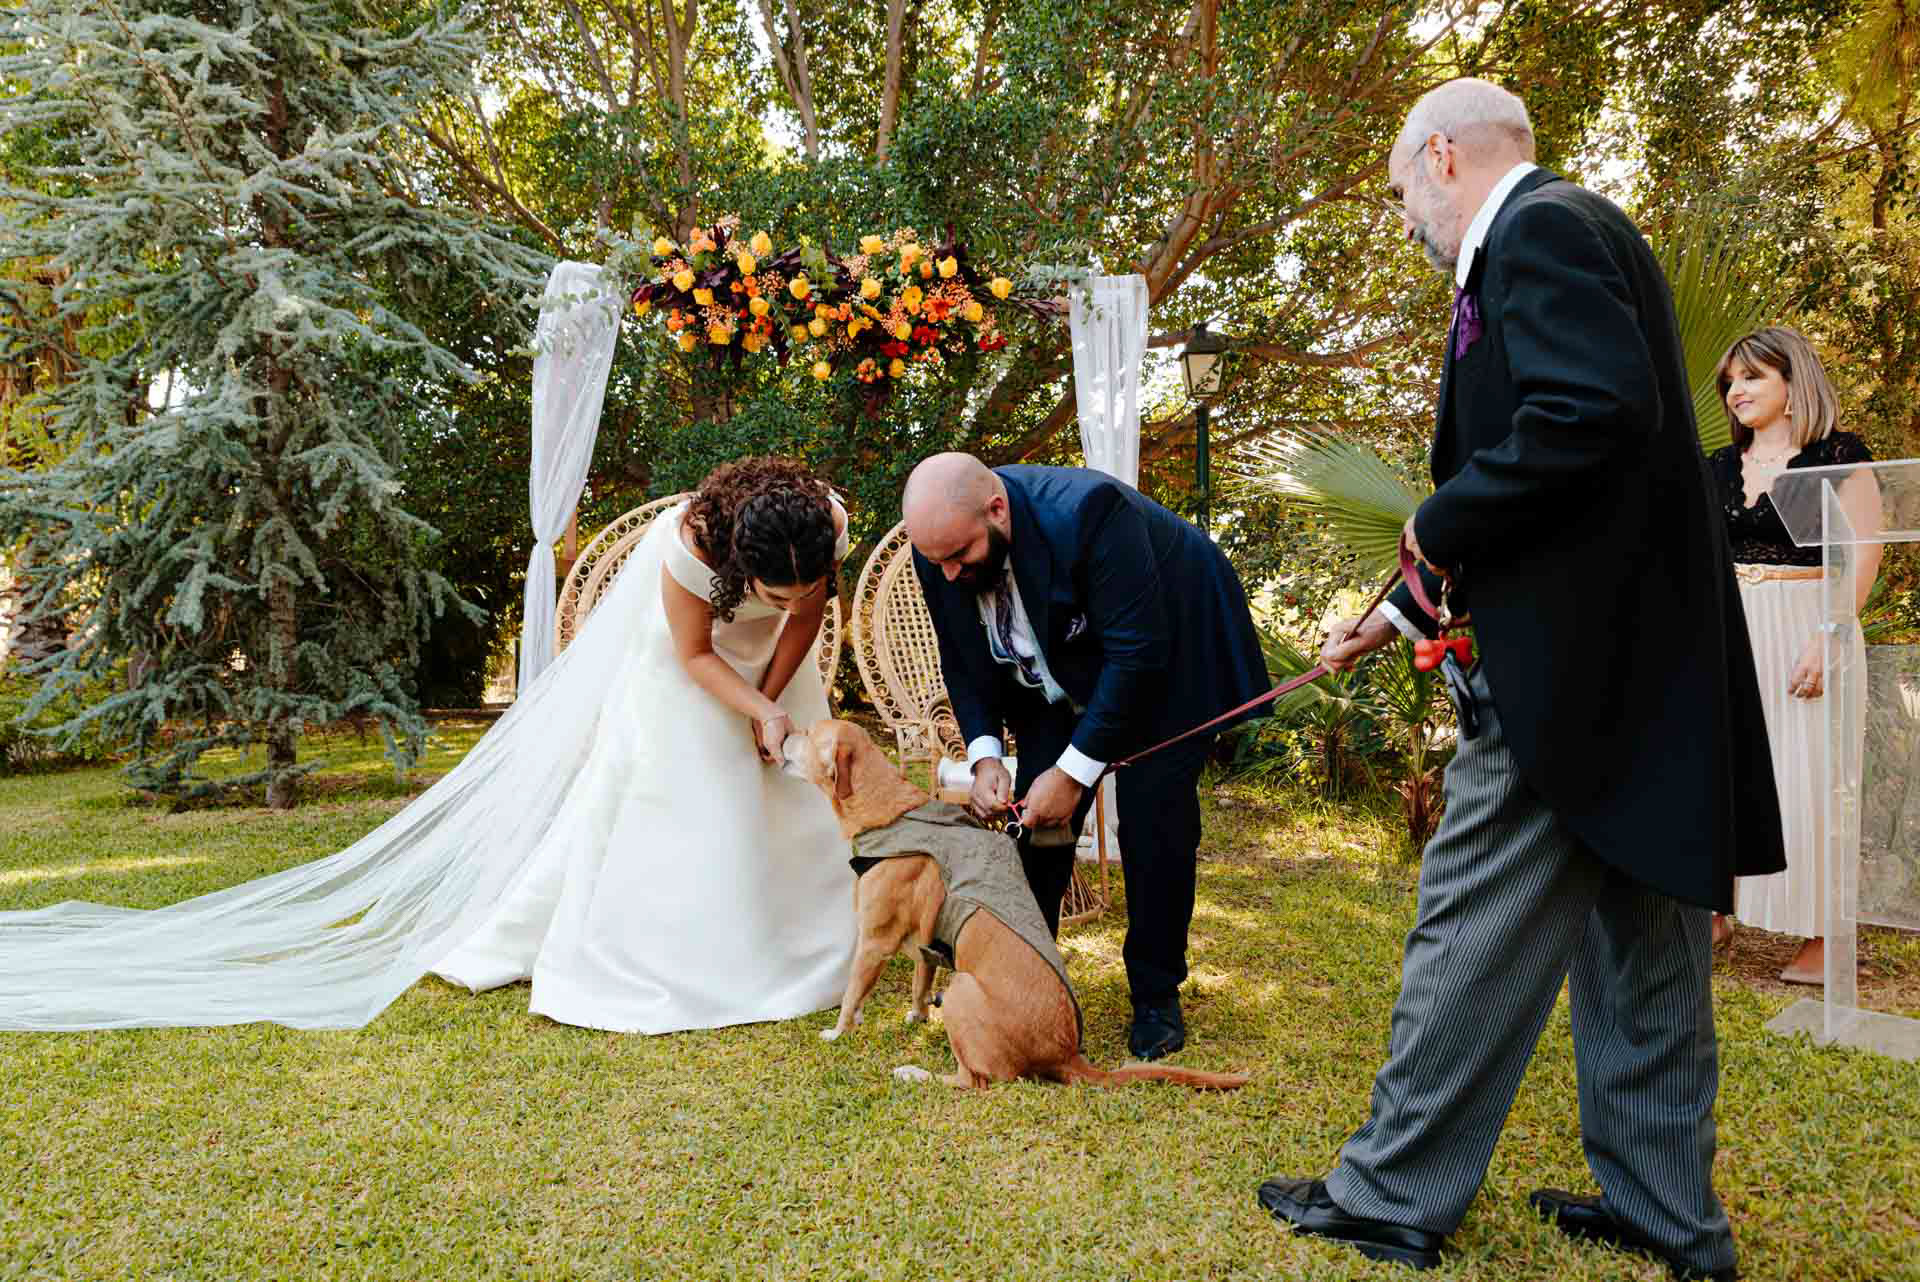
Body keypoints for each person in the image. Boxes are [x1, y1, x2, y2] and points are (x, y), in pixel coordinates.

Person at [1255, 80, 1783, 1281]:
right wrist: (1397, 610)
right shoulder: (1586, 229)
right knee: (1643, 954)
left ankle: (1392, 1193)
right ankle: (1667, 1214)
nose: (1406, 221)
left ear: (1442, 156)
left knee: (1469, 925)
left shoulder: (1537, 230)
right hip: (1643, 671)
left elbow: (1588, 412)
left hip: (1576, 681)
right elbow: (1557, 486)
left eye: (1401, 194)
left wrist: (1434, 522)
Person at [0, 457, 854, 1034]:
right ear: (737, 554)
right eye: (768, 588)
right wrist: (740, 708)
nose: (787, 595)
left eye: (798, 583)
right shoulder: (689, 546)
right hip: (686, 677)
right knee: (689, 803)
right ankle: (676, 955)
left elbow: (803, 622)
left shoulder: (820, 531)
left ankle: (796, 937)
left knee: (781, 801)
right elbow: (696, 654)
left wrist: (768, 707)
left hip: (773, 678)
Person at [902, 453, 1268, 1061]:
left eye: (959, 556)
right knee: (1036, 823)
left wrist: (1073, 774)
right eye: (935, 560)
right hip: (1059, 668)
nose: (946, 573)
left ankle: (1155, 995)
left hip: (1168, 658)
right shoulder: (941, 547)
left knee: (1157, 821)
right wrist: (987, 755)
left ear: (997, 511)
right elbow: (962, 657)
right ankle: (1021, 976)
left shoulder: (1093, 513)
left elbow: (1137, 658)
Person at [1709, 326, 1879, 982]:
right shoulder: (1720, 466)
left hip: (1809, 621)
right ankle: (1715, 909)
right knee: (1723, 769)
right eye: (1730, 382)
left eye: (1752, 377)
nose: (1736, 391)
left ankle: (1823, 934)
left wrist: (1830, 634)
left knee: (1807, 776)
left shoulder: (1835, 454)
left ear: (1791, 382)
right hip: (1732, 625)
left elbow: (1866, 550)